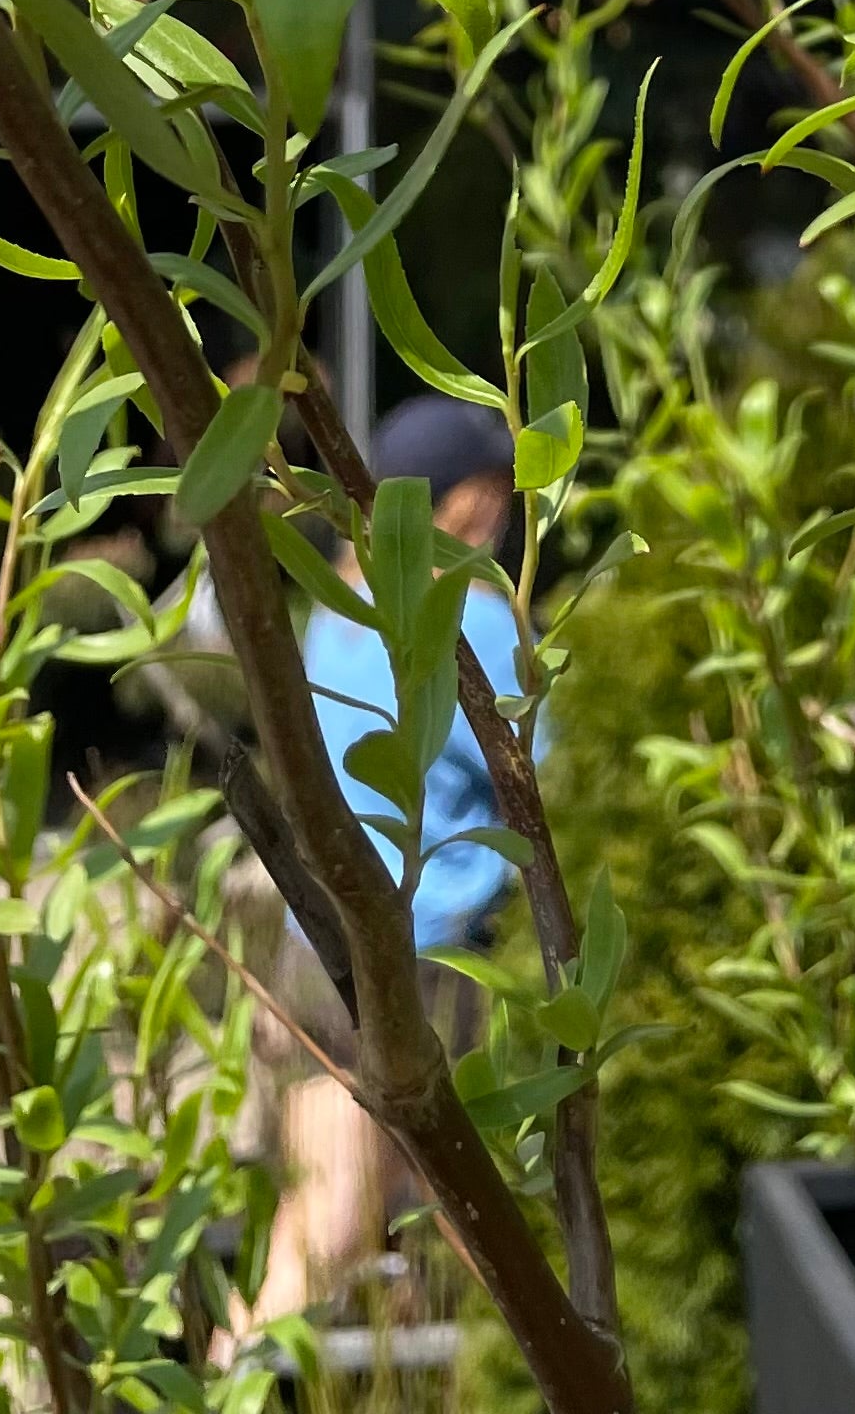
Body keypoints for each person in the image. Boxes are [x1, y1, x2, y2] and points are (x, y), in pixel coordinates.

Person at [250, 397, 520, 1335]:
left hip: (317, 942)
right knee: (481, 1244)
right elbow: (542, 791)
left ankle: (226, 1378)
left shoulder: (330, 615)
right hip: (433, 956)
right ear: (463, 511)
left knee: (316, 1233)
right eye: (496, 501)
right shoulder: (473, 624)